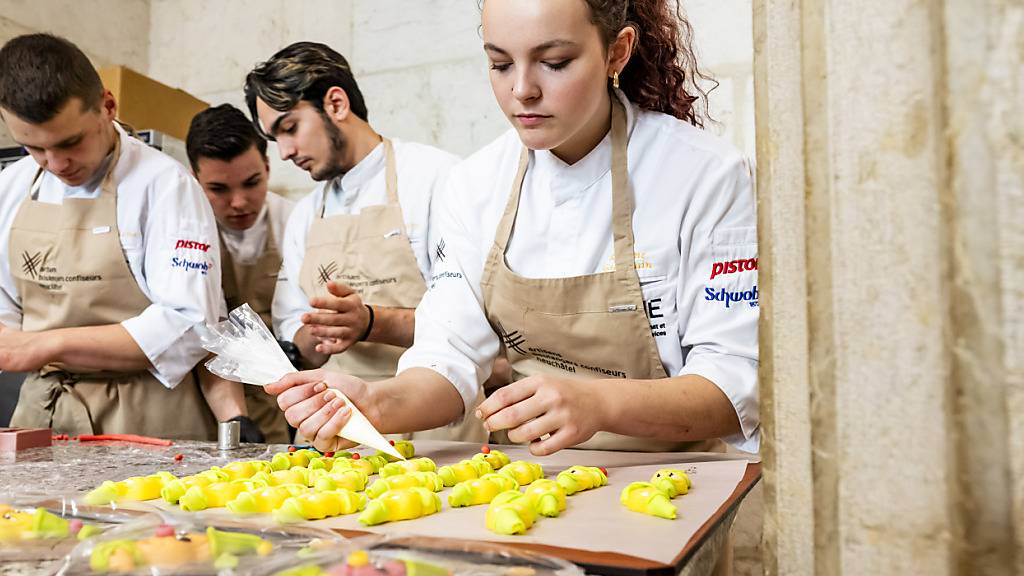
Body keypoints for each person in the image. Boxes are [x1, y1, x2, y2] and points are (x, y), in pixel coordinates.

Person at [267, 0, 759, 457]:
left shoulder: (703, 173)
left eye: (556, 61)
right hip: (528, 482)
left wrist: (600, 404)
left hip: (674, 489)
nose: (522, 89)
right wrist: (375, 402)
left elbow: (736, 383)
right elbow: (449, 353)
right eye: (500, 64)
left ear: (617, 52)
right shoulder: (475, 185)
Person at [0, 34, 247, 439]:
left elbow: (189, 325)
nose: (56, 163)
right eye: (34, 148)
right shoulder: (11, 188)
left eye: (70, 142)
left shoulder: (166, 186)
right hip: (43, 416)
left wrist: (46, 345)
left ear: (107, 106)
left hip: (148, 415)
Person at [245, 42, 486, 442]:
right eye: (276, 139)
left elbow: (472, 323)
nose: (285, 152)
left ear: (336, 104)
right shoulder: (305, 215)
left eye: (290, 128)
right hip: (333, 430)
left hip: (432, 429)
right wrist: (317, 331)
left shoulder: (436, 178)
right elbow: (293, 331)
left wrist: (371, 322)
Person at [186, 104, 295, 443]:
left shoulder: (295, 221)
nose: (238, 202)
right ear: (194, 179)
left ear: (267, 166)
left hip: (276, 394)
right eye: (218, 189)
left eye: (252, 183)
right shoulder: (184, 232)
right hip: (201, 396)